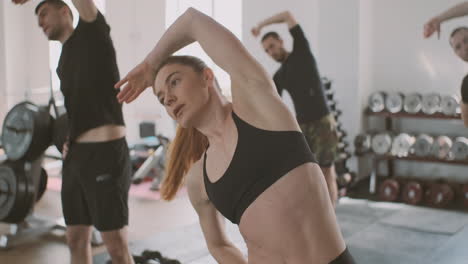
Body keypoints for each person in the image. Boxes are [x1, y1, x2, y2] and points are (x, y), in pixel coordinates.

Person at [115, 8, 355, 264]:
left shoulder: (258, 109)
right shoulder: (199, 179)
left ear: (207, 77)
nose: (169, 98)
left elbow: (193, 21)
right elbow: (218, 245)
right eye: (162, 98)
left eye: (174, 82)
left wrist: (151, 64)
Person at [12, 0, 134, 263]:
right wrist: (70, 138)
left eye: (44, 14)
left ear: (65, 10)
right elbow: (77, 108)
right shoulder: (63, 60)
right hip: (76, 157)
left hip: (105, 154)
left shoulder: (93, 33)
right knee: (75, 239)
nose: (40, 23)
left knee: (115, 246)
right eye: (37, 19)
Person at [251, 11, 339, 206]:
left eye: (272, 46)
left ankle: (331, 216)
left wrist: (261, 25)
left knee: (326, 171)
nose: (271, 52)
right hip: (302, 128)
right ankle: (315, 214)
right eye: (267, 51)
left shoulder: (302, 52)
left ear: (281, 41)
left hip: (323, 123)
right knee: (306, 174)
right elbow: (270, 102)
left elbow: (287, 16)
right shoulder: (279, 75)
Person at [424, 2, 468, 126]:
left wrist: (440, 19)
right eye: (458, 47)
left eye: (467, 40)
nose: (465, 47)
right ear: (456, 54)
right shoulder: (467, 84)